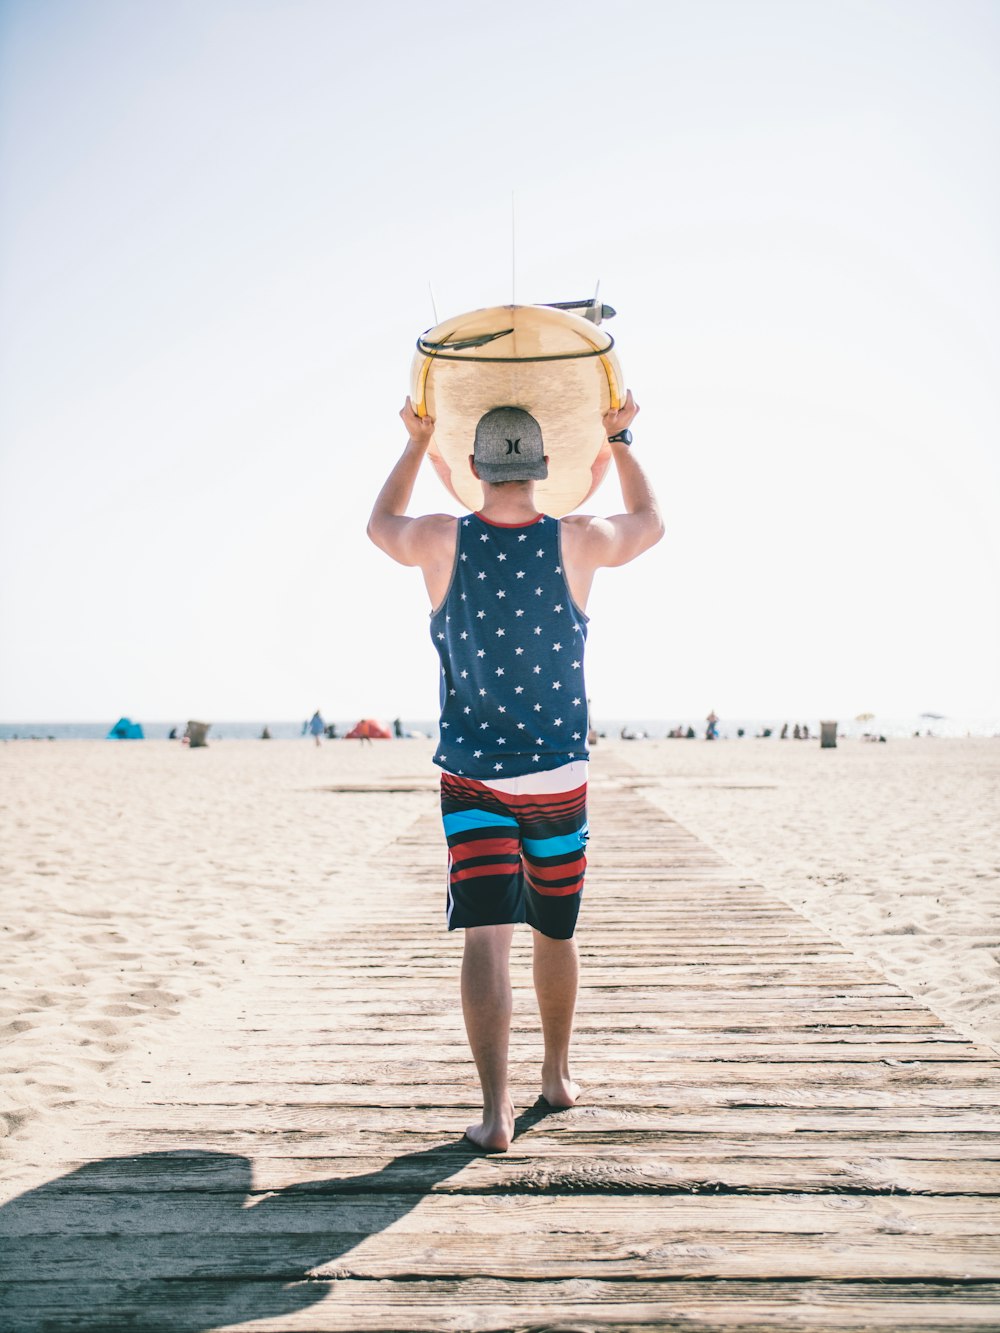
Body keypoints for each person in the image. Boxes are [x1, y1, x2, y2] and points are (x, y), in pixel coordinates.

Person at [368, 390, 662, 1151]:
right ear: (542, 468)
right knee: (555, 932)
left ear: (472, 470)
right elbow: (651, 523)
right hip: (559, 775)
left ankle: (495, 1116)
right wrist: (622, 439)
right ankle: (557, 1077)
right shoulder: (578, 538)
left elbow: (379, 525)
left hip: (472, 775)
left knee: (486, 939)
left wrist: (413, 442)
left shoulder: (440, 538)